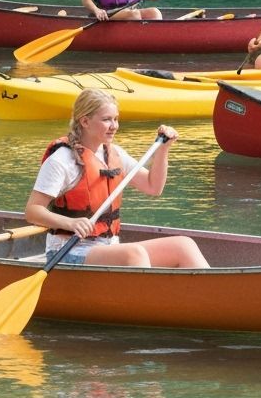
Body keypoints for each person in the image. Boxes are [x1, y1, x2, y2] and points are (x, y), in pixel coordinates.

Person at [25, 88, 209, 268]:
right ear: (85, 121)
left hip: (108, 246)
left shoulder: (114, 154)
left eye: (116, 119)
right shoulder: (62, 160)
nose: (114, 126)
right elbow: (33, 211)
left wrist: (163, 149)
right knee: (134, 254)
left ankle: (213, 297)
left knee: (184, 246)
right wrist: (71, 223)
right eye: (106, 120)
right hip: (68, 250)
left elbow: (153, 187)